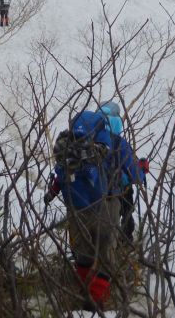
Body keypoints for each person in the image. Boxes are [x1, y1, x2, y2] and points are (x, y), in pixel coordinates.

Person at [45, 110, 140, 310]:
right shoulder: (116, 142)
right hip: (107, 203)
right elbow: (134, 174)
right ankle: (95, 303)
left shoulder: (72, 143)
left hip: (77, 205)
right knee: (105, 252)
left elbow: (59, 173)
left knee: (83, 252)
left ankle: (82, 295)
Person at [99, 102, 147, 241]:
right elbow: (135, 176)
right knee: (126, 213)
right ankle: (125, 242)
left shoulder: (89, 140)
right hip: (117, 191)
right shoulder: (119, 143)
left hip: (94, 192)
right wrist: (143, 169)